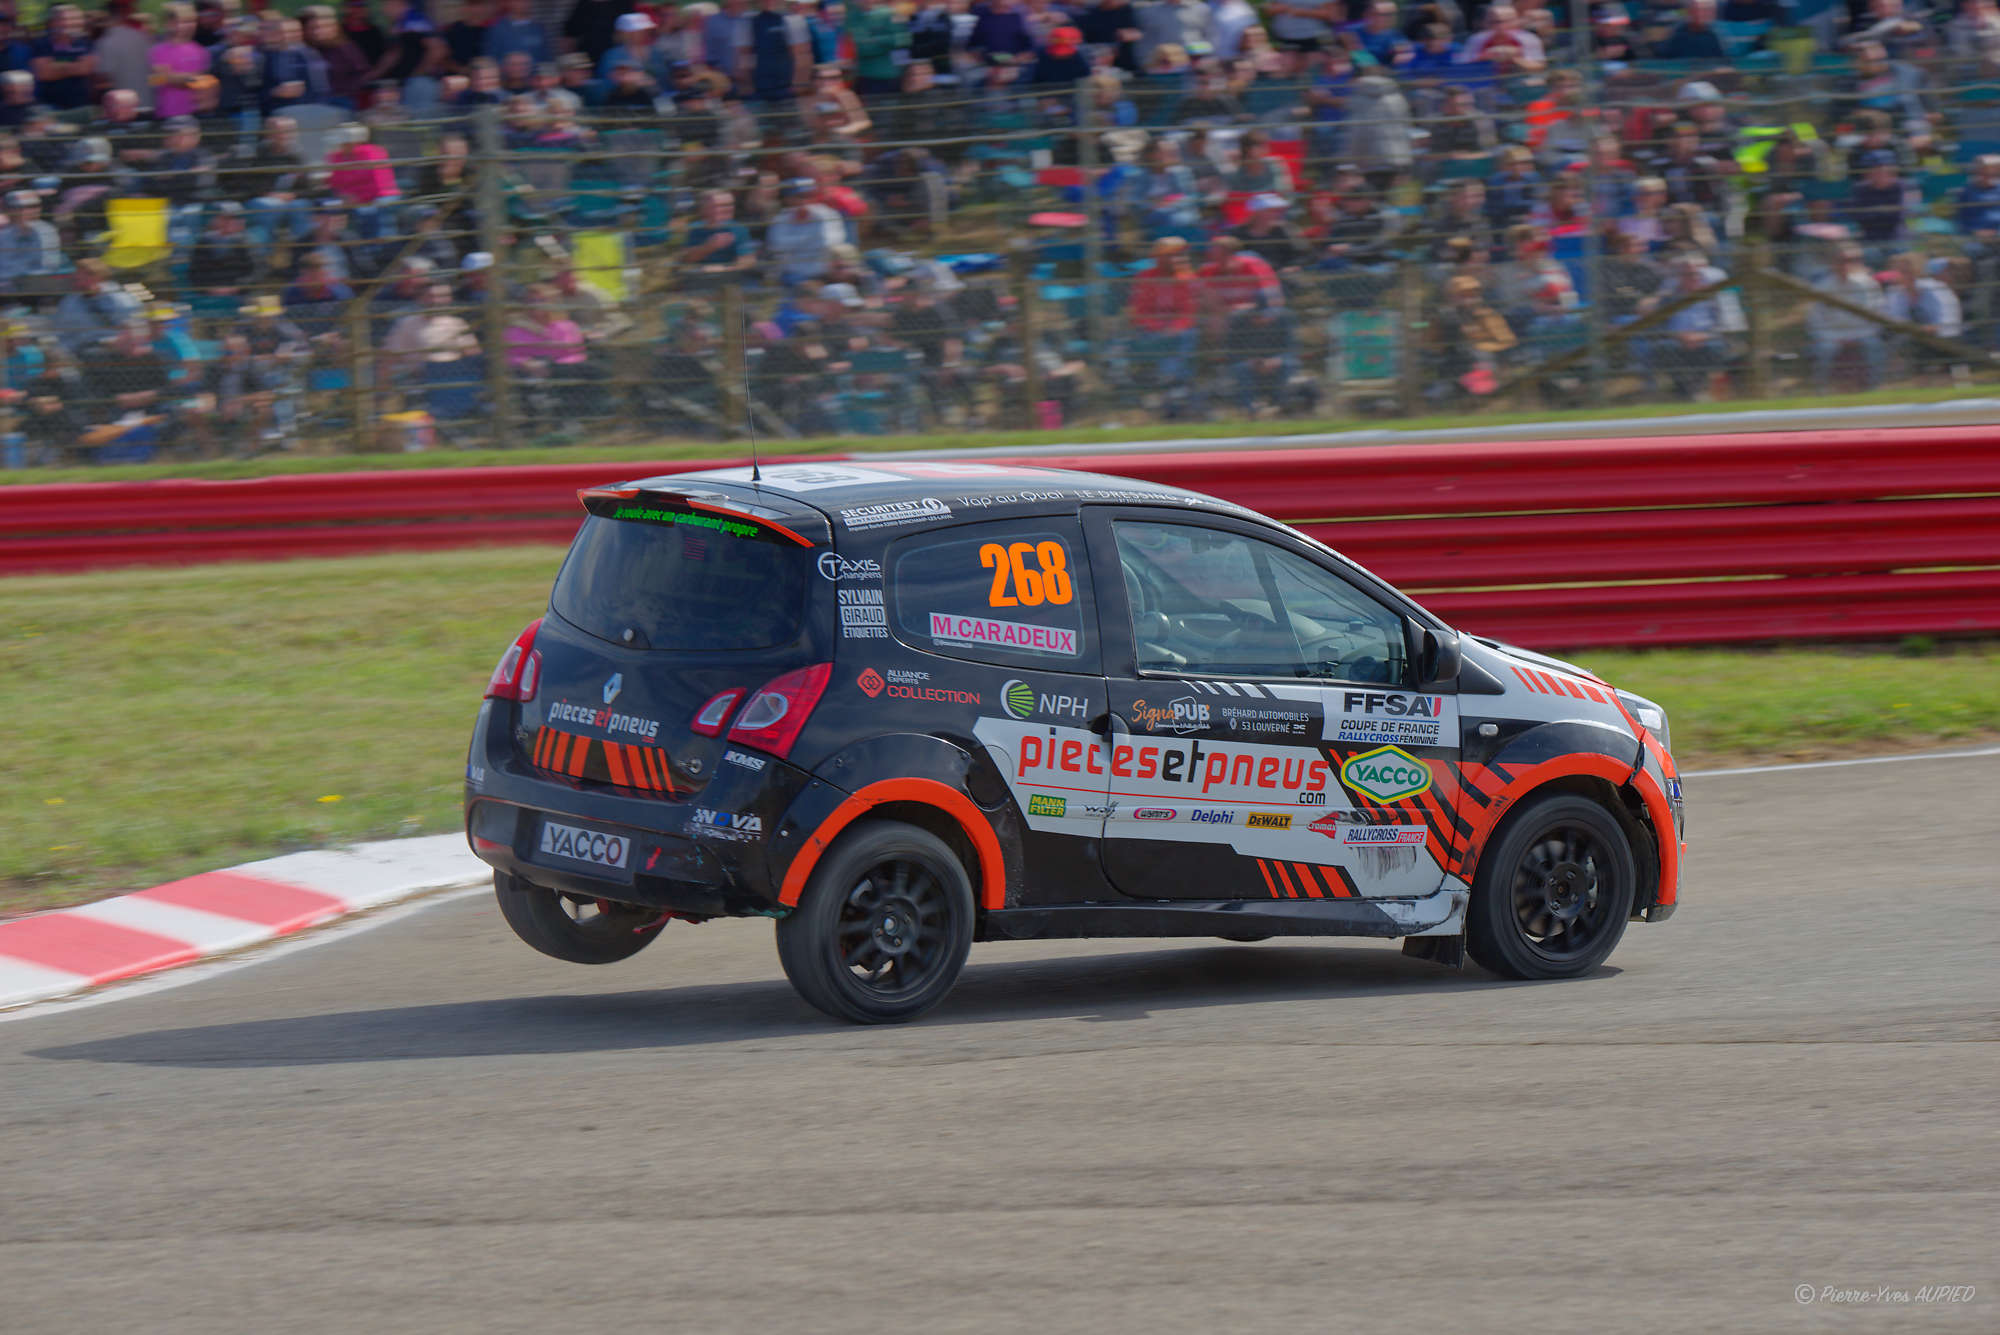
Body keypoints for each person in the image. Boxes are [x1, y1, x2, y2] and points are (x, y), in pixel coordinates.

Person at [1807, 244, 1886, 391]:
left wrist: (1855, 337)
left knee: (1874, 347)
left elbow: (1877, 317)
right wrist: (1834, 338)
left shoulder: (1868, 285)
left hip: (1862, 334)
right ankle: (1821, 390)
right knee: (1823, 351)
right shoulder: (1822, 287)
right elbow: (1816, 321)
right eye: (1841, 260)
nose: (1846, 264)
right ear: (1832, 262)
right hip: (1832, 336)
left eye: (1852, 260)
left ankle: (1874, 388)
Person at [151, 4, 214, 122]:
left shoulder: (201, 51)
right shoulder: (159, 50)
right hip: (169, 115)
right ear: (171, 23)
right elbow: (159, 79)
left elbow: (205, 83)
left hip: (197, 116)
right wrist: (194, 79)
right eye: (184, 21)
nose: (190, 25)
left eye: (192, 21)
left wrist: (176, 78)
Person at [33, 5, 97, 110]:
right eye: (65, 19)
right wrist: (75, 65)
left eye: (75, 19)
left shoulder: (85, 43)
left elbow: (86, 68)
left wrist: (55, 66)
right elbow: (43, 73)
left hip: (80, 105)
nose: (71, 23)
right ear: (53, 22)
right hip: (49, 106)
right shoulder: (41, 44)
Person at [0, 187, 61, 288]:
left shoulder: (47, 231)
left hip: (34, 284)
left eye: (36, 206)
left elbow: (50, 266)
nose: (33, 211)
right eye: (26, 207)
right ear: (11, 209)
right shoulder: (3, 232)